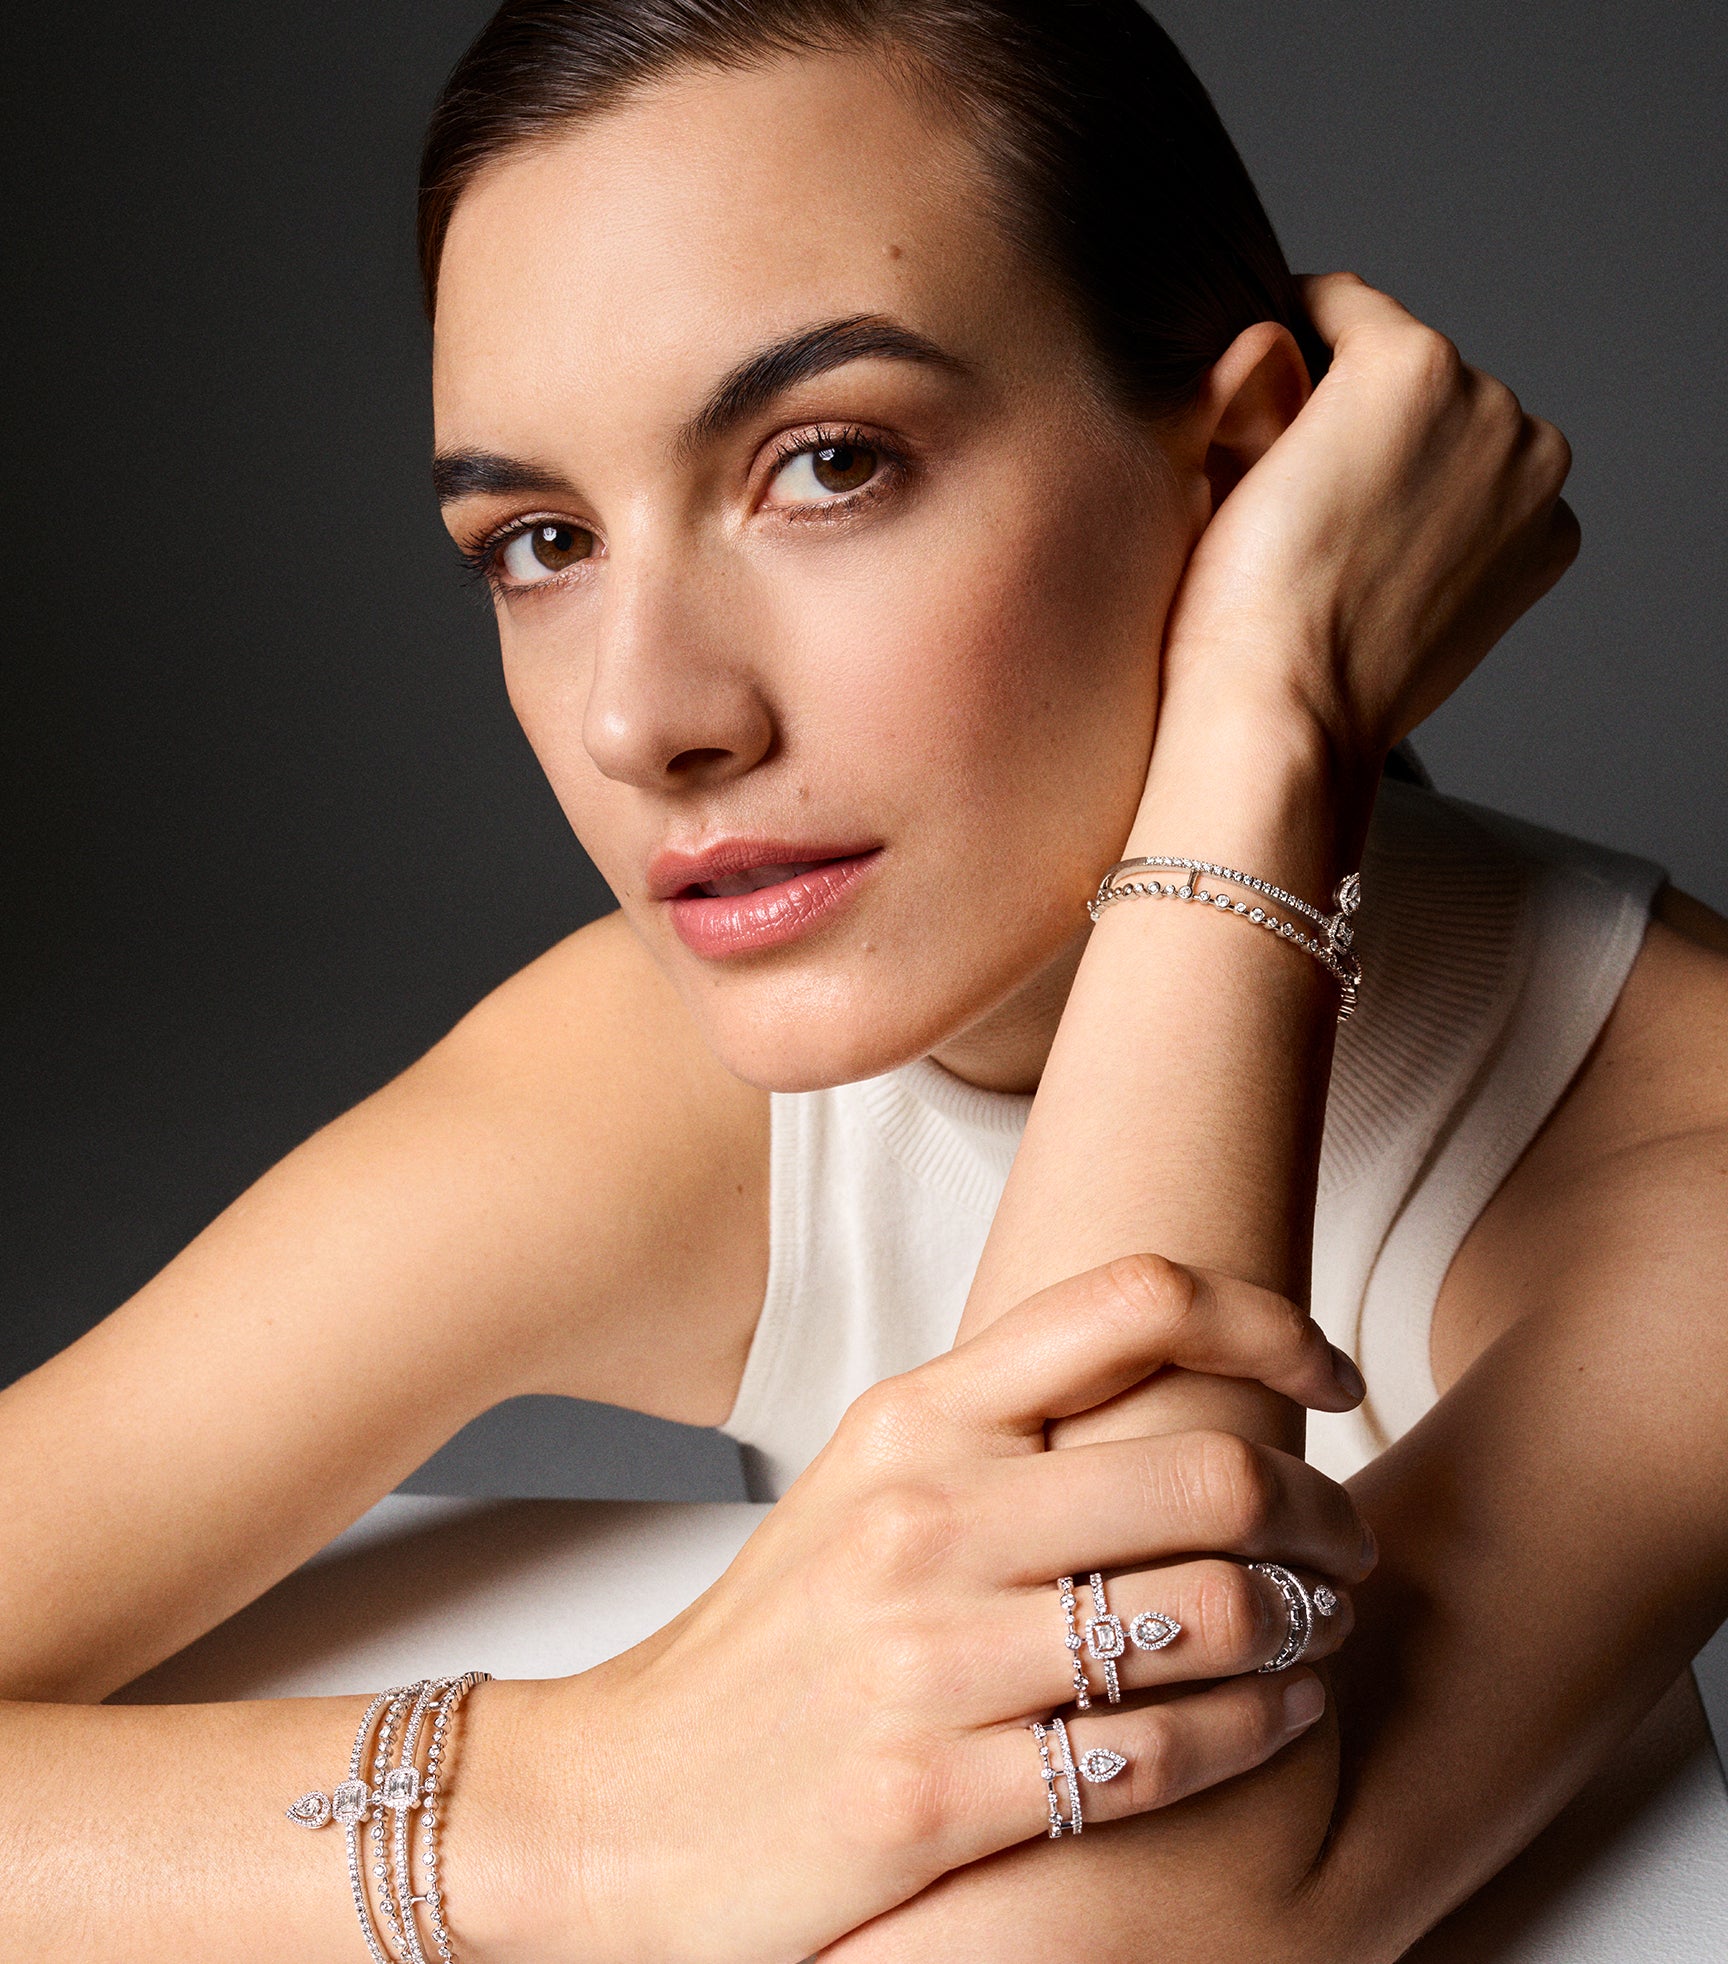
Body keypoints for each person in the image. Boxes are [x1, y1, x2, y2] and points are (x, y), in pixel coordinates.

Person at [3, 2, 1725, 1959]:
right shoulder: (654, 1084)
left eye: (827, 462)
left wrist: (1275, 719)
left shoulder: (1686, 1145)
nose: (647, 715)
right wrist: (589, 1799)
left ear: (1247, 468)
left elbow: (1063, 1927)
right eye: (541, 541)